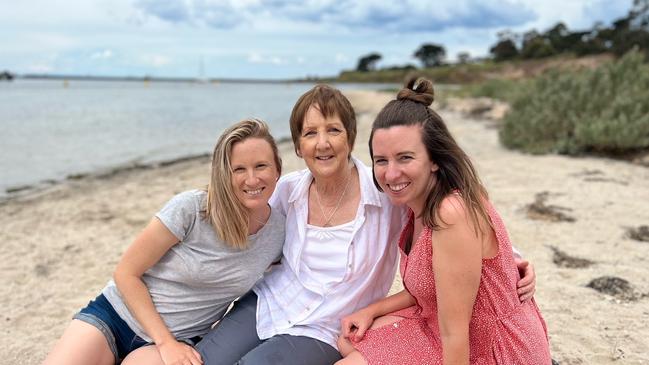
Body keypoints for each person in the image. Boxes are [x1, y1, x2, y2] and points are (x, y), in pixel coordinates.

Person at [196, 84, 537, 365]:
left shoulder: (388, 194)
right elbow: (239, 216)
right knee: (203, 359)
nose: (323, 142)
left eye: (333, 130)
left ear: (350, 137)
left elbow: (464, 232)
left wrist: (513, 262)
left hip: (324, 326)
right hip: (272, 302)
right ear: (298, 146)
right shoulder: (288, 191)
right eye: (310, 133)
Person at [336, 77, 551, 365]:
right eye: (381, 160)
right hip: (443, 323)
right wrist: (371, 309)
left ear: (434, 159)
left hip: (490, 347)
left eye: (405, 157)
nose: (391, 174)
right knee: (349, 339)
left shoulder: (450, 213)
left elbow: (455, 334)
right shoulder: (416, 204)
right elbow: (429, 289)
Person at [42, 119, 286, 365]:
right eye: (239, 169)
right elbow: (126, 273)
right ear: (223, 174)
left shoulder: (278, 233)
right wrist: (165, 342)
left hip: (179, 340)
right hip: (115, 318)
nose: (252, 179)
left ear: (277, 169)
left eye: (261, 165)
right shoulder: (191, 209)